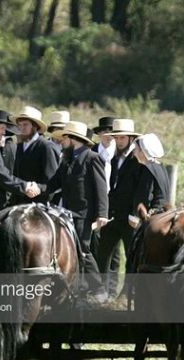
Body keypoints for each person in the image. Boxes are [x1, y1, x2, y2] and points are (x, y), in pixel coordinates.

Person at [43, 121, 109, 301]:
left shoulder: (92, 158)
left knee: (83, 251)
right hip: (66, 213)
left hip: (83, 214)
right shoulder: (66, 159)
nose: (61, 141)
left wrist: (102, 214)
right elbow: (53, 184)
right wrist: (34, 189)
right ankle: (76, 289)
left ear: (74, 139)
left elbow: (101, 188)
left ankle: (98, 290)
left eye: (64, 138)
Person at [95, 118, 146, 297]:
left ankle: (127, 293)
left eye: (122, 138)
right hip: (112, 215)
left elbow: (142, 189)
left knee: (131, 258)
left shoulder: (138, 159)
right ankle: (103, 291)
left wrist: (135, 214)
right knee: (102, 255)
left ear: (131, 139)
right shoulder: (113, 157)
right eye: (116, 138)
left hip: (130, 219)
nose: (118, 142)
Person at [90, 116, 120, 295]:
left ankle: (112, 289)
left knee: (114, 250)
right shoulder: (92, 151)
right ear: (99, 134)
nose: (108, 135)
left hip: (114, 203)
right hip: (95, 202)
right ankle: (97, 286)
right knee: (95, 246)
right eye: (105, 131)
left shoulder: (121, 154)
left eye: (112, 132)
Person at [11, 106, 59, 204]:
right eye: (19, 125)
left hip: (40, 206)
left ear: (35, 126)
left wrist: (38, 190)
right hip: (19, 204)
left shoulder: (46, 147)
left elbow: (52, 182)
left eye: (25, 125)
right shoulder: (19, 146)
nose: (21, 128)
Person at [133, 133, 171, 216]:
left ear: (143, 151)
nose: (135, 153)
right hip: (164, 214)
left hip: (153, 216)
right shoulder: (160, 167)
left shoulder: (148, 169)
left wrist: (137, 216)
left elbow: (145, 196)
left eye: (136, 149)